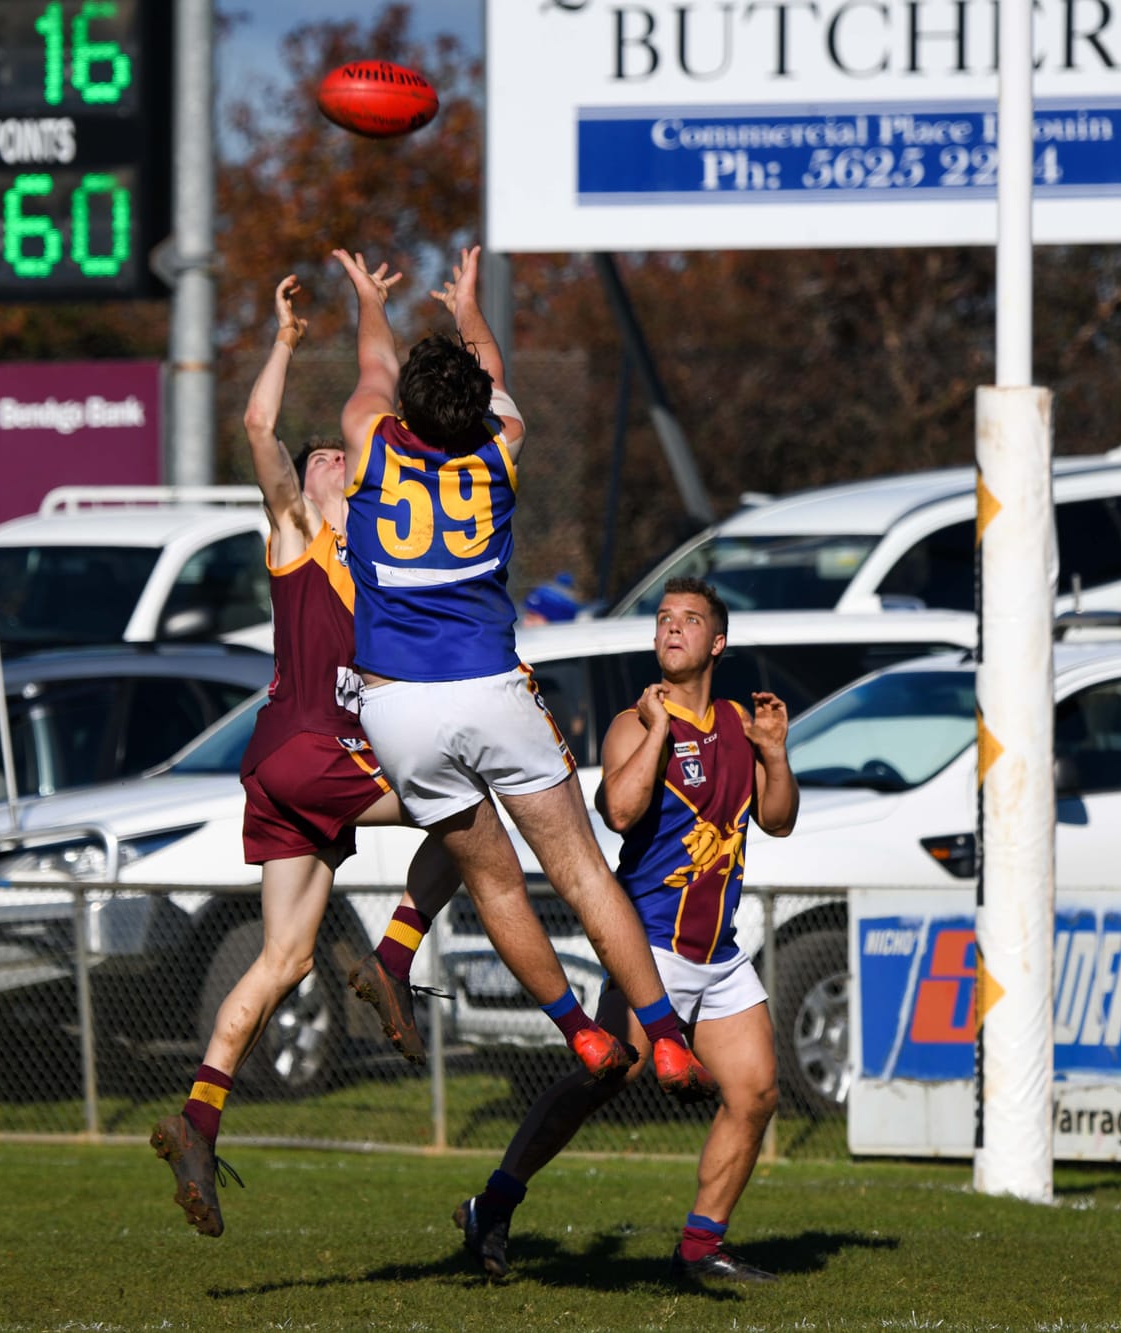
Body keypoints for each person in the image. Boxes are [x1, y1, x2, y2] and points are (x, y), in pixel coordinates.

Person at [150, 275, 621, 1240]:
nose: (332, 453)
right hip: (314, 750)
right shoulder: (297, 533)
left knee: (284, 957)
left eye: (339, 452)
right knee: (471, 810)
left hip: (284, 772)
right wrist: (285, 340)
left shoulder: (377, 545)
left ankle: (199, 1116)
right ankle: (397, 952)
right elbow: (258, 426)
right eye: (321, 456)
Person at [332, 244, 719, 1104]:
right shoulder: (501, 444)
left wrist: (371, 298)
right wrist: (468, 303)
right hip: (490, 688)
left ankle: (578, 1030)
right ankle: (665, 1039)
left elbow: (373, 363)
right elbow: (492, 370)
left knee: (493, 879)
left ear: (403, 405)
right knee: (582, 872)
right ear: (476, 404)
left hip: (397, 705)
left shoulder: (367, 438)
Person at [452, 579, 799, 1285]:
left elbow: (779, 820)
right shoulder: (632, 723)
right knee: (606, 1076)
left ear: (718, 642)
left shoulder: (739, 721)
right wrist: (661, 730)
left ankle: (700, 1247)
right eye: (664, 618)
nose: (672, 628)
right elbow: (619, 809)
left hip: (718, 951)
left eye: (690, 620)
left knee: (757, 1092)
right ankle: (493, 1204)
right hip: (651, 945)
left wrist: (774, 752)